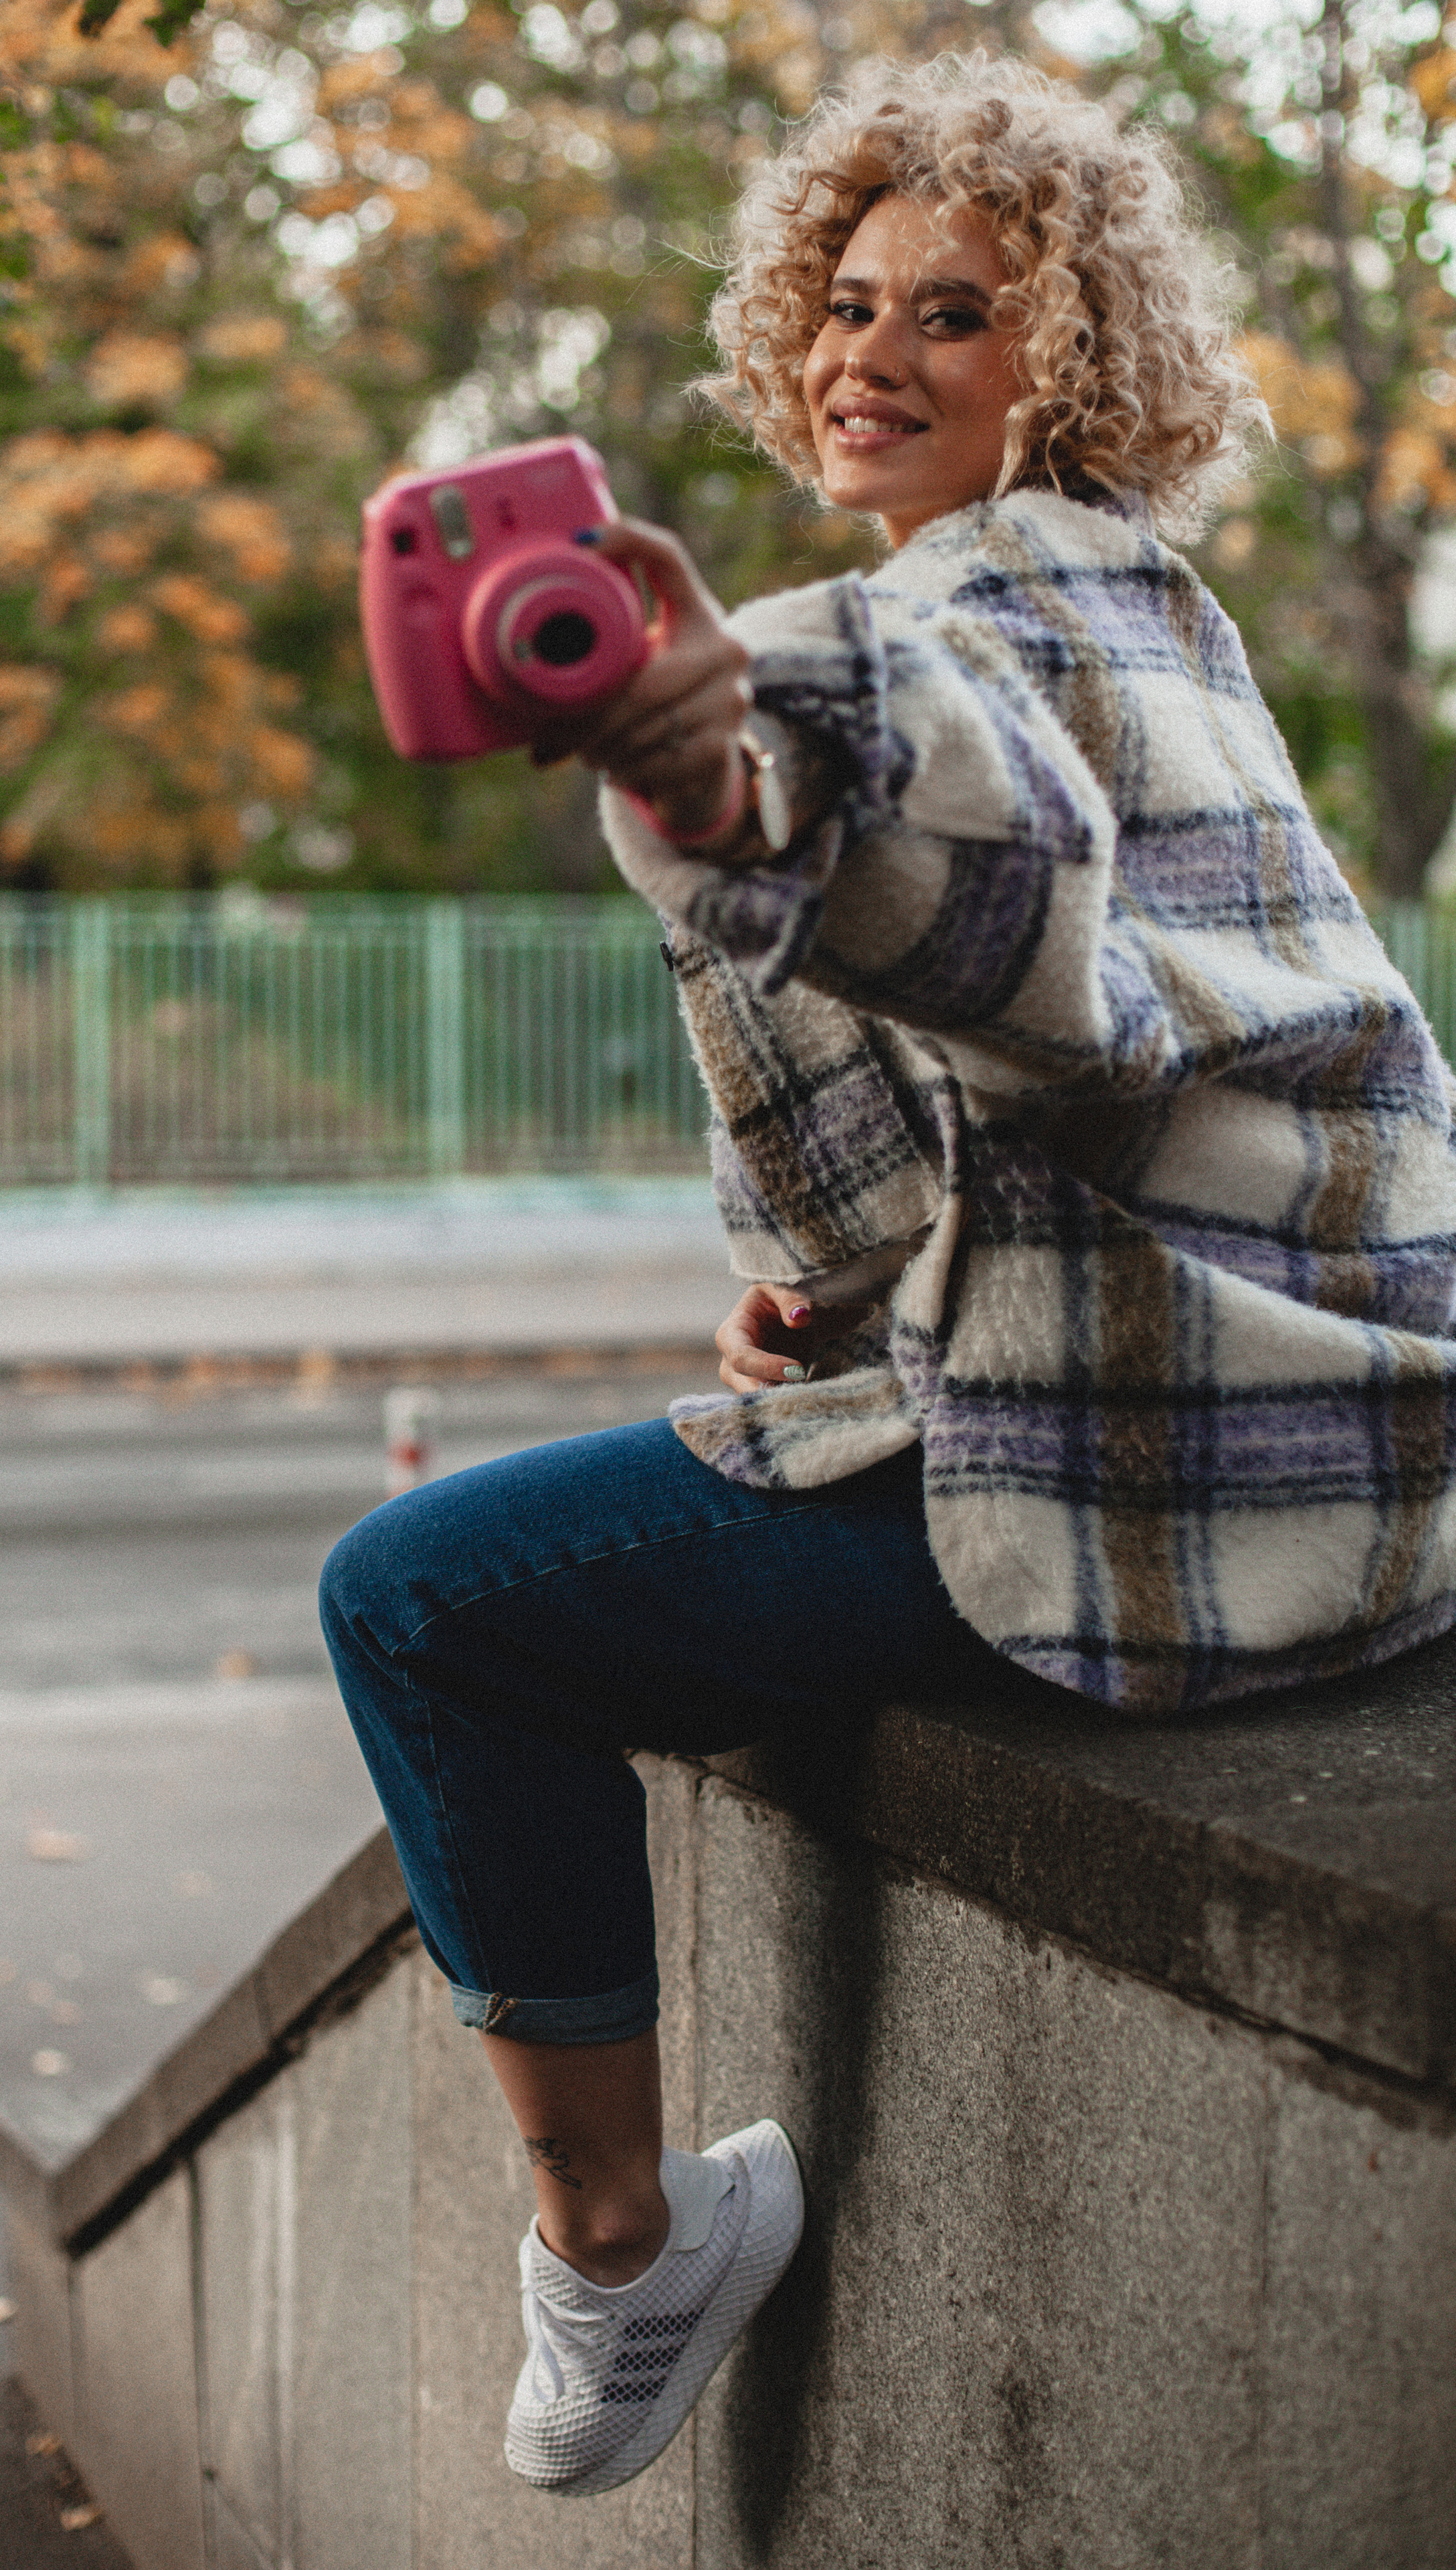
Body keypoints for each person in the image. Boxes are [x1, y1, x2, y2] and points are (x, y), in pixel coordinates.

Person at [321, 52, 1456, 2498]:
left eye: (960, 316)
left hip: (1173, 1488)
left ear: (1078, 373)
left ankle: (620, 2257)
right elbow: (1072, 1068)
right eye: (848, 304)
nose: (876, 355)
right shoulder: (1120, 614)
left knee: (424, 1600)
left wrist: (737, 769)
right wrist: (840, 1306)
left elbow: (1023, 921)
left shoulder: (1008, 589)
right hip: (1313, 1438)